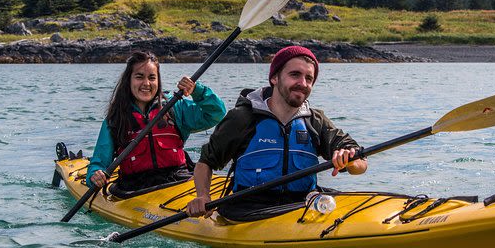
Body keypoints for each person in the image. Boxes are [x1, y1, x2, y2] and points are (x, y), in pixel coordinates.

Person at [186, 45, 367, 221]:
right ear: (274, 77)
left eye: (309, 78)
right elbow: (206, 162)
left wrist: (349, 159)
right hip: (248, 210)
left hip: (302, 205)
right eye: (295, 75)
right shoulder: (243, 118)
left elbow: (360, 163)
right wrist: (203, 196)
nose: (302, 84)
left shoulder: (315, 120)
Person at [87, 51, 226, 192]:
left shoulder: (174, 107)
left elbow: (216, 113)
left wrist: (197, 90)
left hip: (179, 180)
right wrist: (95, 174)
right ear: (129, 80)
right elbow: (99, 162)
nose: (146, 83)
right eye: (139, 77)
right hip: (134, 189)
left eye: (152, 78)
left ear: (158, 81)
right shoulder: (115, 119)